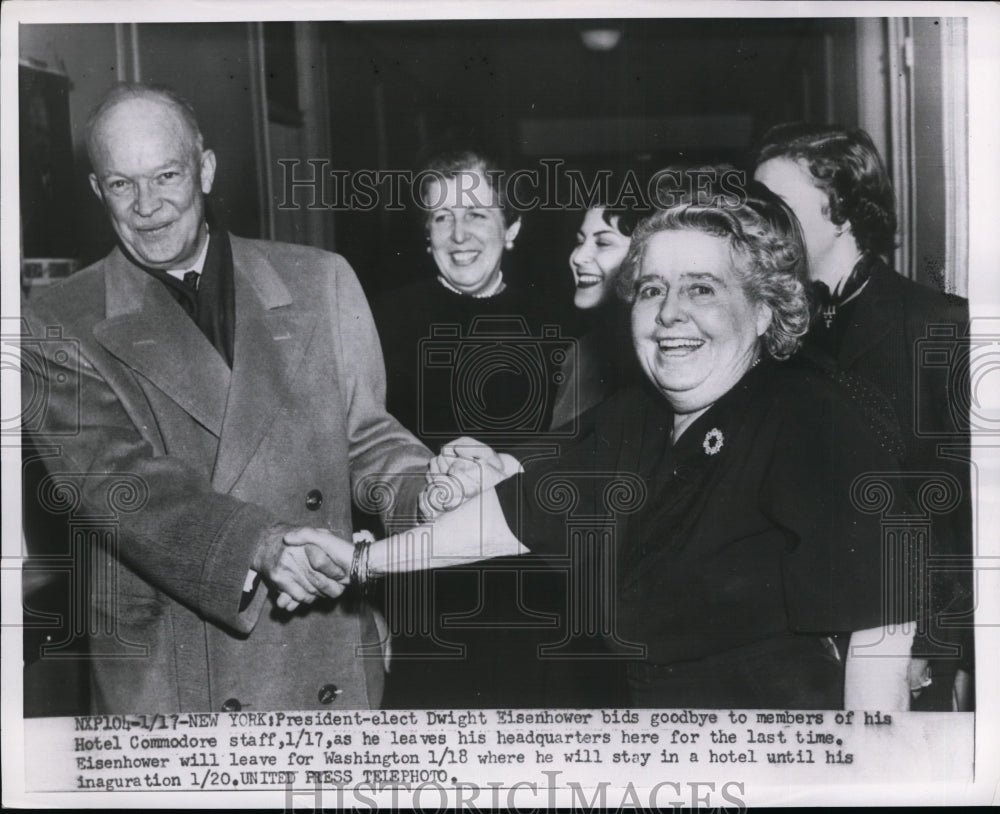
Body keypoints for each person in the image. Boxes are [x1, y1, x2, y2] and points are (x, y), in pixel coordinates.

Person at [289, 177, 919, 710]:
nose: (669, 312)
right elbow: (516, 517)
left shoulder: (810, 416)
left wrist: (862, 774)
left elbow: (881, 626)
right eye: (652, 289)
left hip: (775, 742)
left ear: (762, 310)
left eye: (702, 287)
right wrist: (362, 562)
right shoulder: (636, 417)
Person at [19, 82, 433, 713]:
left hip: (328, 654)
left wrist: (430, 488)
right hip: (174, 676)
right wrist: (258, 544)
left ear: (205, 170)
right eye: (123, 184)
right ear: (99, 191)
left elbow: (367, 438)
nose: (148, 205)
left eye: (166, 175)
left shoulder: (320, 278)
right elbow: (116, 484)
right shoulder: (54, 320)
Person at [371, 150, 606, 708]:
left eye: (476, 214)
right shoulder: (376, 321)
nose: (458, 235)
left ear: (513, 227)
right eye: (441, 218)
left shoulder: (564, 322)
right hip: (422, 590)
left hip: (536, 591)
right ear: (425, 234)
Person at [752, 124, 973, 710]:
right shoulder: (761, 324)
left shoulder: (936, 324)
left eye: (777, 208)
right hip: (788, 642)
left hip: (897, 640)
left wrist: (934, 642)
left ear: (842, 211)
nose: (757, 226)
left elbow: (954, 506)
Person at [551, 178, 646, 429]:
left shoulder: (656, 354)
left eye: (603, 243)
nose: (579, 256)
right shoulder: (583, 352)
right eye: (580, 240)